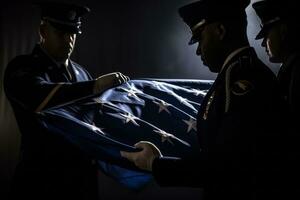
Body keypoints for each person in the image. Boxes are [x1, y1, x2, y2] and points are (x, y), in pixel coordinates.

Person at [121, 0, 285, 199]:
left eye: (200, 39)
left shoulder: (244, 81)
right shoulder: (235, 76)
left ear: (220, 31)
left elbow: (228, 166)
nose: (198, 50)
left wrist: (155, 164)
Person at [3, 2, 129, 200]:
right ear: (43, 30)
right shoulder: (23, 67)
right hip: (41, 181)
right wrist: (95, 87)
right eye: (61, 33)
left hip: (82, 182)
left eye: (72, 34)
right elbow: (38, 97)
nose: (68, 40)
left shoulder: (82, 73)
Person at [252, 0, 300, 198]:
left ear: (284, 30)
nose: (263, 43)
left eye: (267, 34)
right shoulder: (292, 68)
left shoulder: (298, 71)